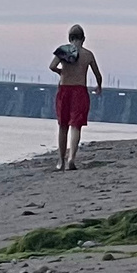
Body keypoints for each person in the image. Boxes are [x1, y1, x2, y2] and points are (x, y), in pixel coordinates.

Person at [48, 24, 103, 170]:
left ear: (69, 38)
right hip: (80, 91)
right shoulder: (88, 54)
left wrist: (61, 72)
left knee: (63, 125)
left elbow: (52, 66)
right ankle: (72, 157)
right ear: (83, 39)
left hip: (65, 89)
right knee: (76, 125)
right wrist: (99, 86)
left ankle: (61, 161)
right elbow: (98, 75)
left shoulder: (64, 51)